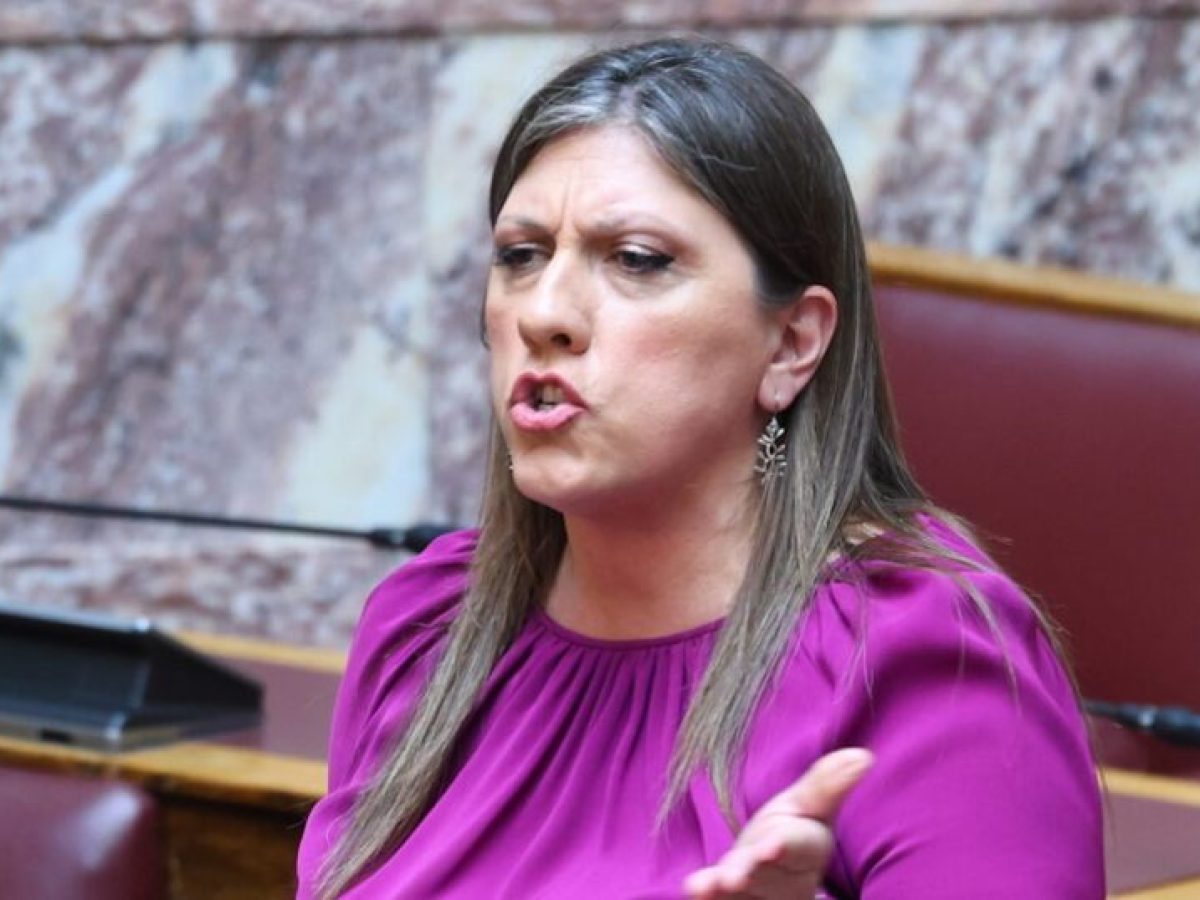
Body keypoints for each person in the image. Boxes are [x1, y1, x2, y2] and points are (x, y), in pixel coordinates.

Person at [297, 37, 1103, 899]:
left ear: (791, 344)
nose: (545, 312)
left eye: (636, 259)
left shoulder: (922, 654)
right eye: (521, 255)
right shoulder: (427, 628)